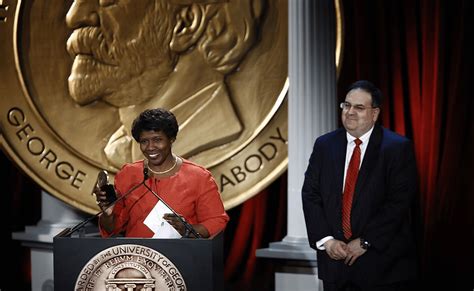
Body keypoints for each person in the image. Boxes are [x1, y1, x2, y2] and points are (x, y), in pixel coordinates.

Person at [65, 0, 264, 169]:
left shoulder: (214, 135)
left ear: (185, 24)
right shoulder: (120, 148)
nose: (74, 16)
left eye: (109, 1)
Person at [302, 80, 419, 291]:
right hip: (335, 265)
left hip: (382, 267)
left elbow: (399, 202)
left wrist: (366, 241)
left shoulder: (396, 148)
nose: (350, 112)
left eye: (359, 107)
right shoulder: (324, 145)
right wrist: (327, 240)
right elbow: (310, 194)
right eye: (346, 105)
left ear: (374, 113)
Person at [94, 108, 229, 238]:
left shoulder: (199, 177)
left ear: (171, 139)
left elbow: (217, 221)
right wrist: (108, 215)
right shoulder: (128, 174)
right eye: (144, 141)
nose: (150, 147)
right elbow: (113, 228)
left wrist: (187, 230)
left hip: (181, 256)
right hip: (137, 257)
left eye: (157, 140)